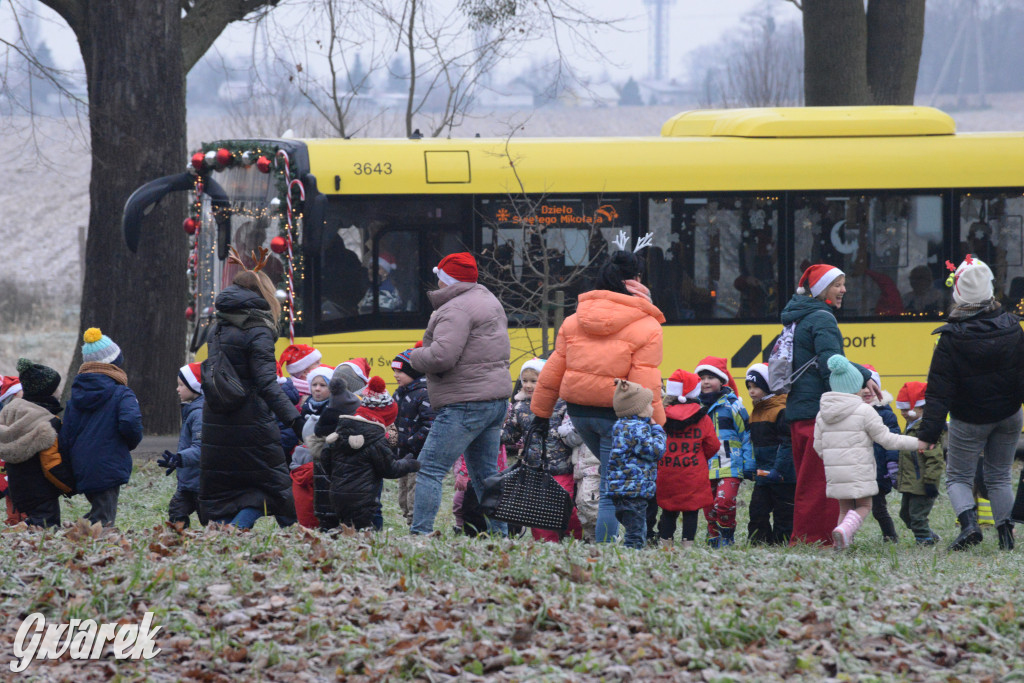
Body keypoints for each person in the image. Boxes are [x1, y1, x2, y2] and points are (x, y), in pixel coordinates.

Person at [531, 240, 665, 544]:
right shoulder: (647, 325)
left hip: (578, 412)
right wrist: (657, 423)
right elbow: (647, 381)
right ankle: (607, 547)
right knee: (609, 487)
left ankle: (605, 542)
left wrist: (541, 413)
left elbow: (553, 370)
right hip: (615, 416)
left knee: (606, 476)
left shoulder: (573, 320)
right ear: (637, 282)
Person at [918, 256, 1024, 552]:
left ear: (959, 295)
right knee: (1000, 475)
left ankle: (969, 526)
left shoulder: (951, 338)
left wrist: (928, 434)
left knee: (957, 478)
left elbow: (939, 393)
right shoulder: (1013, 328)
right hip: (1009, 415)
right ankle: (1005, 535)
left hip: (970, 420)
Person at [408, 252, 512, 536]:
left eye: (439, 277)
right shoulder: (489, 301)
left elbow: (442, 357)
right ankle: (502, 536)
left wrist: (414, 357)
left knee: (429, 469)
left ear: (446, 280)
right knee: (485, 476)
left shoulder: (455, 309)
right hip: (495, 401)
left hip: (465, 403)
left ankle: (420, 535)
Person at [199, 250, 302, 529]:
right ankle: (238, 532)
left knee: (224, 487)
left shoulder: (218, 324)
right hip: (251, 421)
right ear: (263, 293)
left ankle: (219, 536)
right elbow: (267, 382)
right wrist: (295, 419)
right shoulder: (258, 328)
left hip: (217, 418)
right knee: (270, 488)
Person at [783, 263, 879, 546]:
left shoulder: (798, 316)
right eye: (838, 284)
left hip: (800, 411)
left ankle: (805, 536)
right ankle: (817, 538)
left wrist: (862, 374)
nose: (844, 290)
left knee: (806, 482)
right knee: (821, 484)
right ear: (823, 289)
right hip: (818, 413)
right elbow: (831, 365)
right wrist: (861, 381)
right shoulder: (822, 318)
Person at [814, 355, 920, 549]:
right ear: (856, 386)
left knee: (844, 507)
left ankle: (842, 546)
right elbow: (888, 440)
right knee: (864, 506)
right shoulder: (864, 411)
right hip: (859, 468)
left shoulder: (822, 413)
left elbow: (818, 446)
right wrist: (918, 443)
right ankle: (845, 532)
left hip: (835, 472)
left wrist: (832, 458)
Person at [61, 328, 144, 527]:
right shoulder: (122, 393)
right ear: (114, 363)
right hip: (109, 463)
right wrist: (128, 444)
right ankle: (93, 546)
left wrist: (71, 461)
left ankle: (83, 535)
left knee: (99, 508)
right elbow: (131, 423)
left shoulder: (76, 397)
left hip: (82, 465)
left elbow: (66, 435)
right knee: (104, 519)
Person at [320, 389, 420, 530]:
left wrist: (336, 476)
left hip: (336, 494)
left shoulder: (340, 432)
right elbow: (390, 470)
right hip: (363, 500)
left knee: (346, 529)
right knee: (363, 533)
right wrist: (409, 464)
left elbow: (325, 458)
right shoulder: (376, 439)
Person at [503, 358, 573, 542]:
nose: (528, 385)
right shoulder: (520, 407)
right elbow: (510, 435)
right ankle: (546, 546)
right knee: (540, 514)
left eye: (534, 381)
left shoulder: (561, 404)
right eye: (524, 380)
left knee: (569, 510)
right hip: (534, 469)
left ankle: (575, 540)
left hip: (561, 466)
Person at [0, 359, 73, 527]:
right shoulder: (46, 424)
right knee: (46, 527)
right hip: (42, 491)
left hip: (16, 488)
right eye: (56, 388)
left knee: (32, 525)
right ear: (46, 393)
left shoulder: (11, 413)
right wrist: (69, 486)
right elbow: (51, 464)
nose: (60, 392)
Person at [696, 356, 753, 548]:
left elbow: (746, 435)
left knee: (725, 502)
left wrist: (749, 462)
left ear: (722, 380)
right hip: (704, 467)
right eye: (702, 377)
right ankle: (713, 537)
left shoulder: (733, 405)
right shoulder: (695, 407)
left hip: (730, 464)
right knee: (709, 507)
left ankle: (727, 533)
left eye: (710, 377)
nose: (705, 381)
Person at [658, 370, 719, 547]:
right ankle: (688, 544)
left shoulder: (661, 415)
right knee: (691, 510)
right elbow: (713, 444)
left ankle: (665, 543)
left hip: (666, 470)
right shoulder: (703, 417)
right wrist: (699, 457)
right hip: (693, 472)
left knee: (668, 509)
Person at [607, 379, 667, 549]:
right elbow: (656, 451)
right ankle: (633, 556)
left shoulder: (619, 426)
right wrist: (658, 430)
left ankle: (634, 551)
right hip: (634, 490)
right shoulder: (637, 428)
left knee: (634, 526)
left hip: (620, 490)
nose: (653, 408)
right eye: (649, 405)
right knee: (637, 531)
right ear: (638, 410)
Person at [745, 363, 795, 546]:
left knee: (784, 512)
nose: (751, 391)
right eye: (749, 387)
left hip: (783, 476)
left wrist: (779, 469)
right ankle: (758, 544)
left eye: (756, 386)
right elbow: (752, 444)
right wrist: (751, 467)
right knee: (757, 510)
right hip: (762, 474)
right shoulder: (756, 411)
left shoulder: (781, 410)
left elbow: (787, 443)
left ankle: (783, 543)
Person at [156, 363, 206, 527]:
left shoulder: (199, 413)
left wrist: (179, 458)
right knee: (176, 511)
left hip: (201, 484)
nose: (178, 389)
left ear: (195, 387)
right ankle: (180, 540)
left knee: (210, 521)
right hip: (188, 483)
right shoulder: (192, 410)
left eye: (181, 385)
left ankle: (216, 541)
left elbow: (201, 449)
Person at [895, 381, 944, 546]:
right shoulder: (911, 425)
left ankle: (924, 542)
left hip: (923, 483)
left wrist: (930, 481)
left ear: (922, 408)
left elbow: (935, 458)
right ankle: (929, 536)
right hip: (910, 482)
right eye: (901, 410)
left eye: (906, 409)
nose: (903, 414)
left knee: (917, 516)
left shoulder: (927, 429)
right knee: (905, 515)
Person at [392, 348, 435, 527]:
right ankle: (408, 516)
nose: (396, 375)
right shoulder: (400, 392)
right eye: (394, 371)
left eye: (400, 371)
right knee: (403, 488)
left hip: (418, 453)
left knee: (415, 488)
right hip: (402, 452)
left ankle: (415, 521)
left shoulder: (424, 393)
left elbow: (430, 424)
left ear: (412, 371)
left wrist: (410, 441)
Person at [858, 366, 901, 543]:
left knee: (878, 508)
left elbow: (892, 441)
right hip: (857, 468)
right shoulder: (852, 413)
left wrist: (892, 465)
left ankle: (890, 536)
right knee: (851, 507)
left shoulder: (886, 414)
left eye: (871, 386)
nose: (867, 390)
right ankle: (845, 535)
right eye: (862, 386)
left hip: (878, 470)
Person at [289, 365, 334, 528]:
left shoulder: (333, 408)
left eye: (323, 385)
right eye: (314, 385)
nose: (317, 389)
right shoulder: (307, 404)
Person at [561, 415, 601, 543]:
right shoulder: (573, 409)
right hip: (579, 466)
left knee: (589, 502)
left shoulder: (605, 404)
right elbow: (567, 438)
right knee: (581, 506)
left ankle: (603, 538)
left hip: (595, 464)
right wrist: (579, 429)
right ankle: (591, 539)